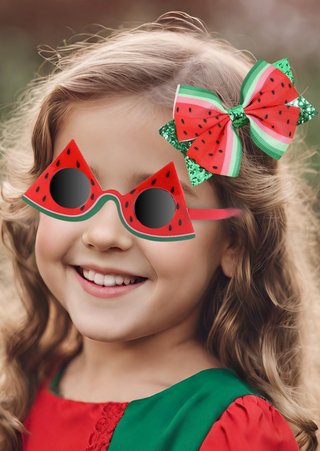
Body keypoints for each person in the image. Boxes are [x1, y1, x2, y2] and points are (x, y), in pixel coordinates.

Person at [0, 10, 319, 451]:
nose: (103, 233)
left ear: (234, 242)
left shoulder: (233, 431)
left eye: (157, 204)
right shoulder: (19, 388)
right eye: (71, 187)